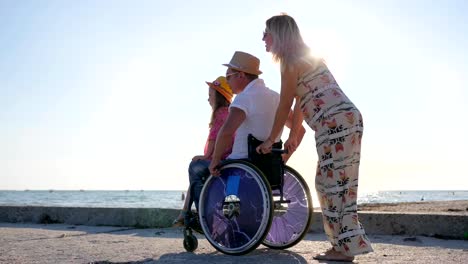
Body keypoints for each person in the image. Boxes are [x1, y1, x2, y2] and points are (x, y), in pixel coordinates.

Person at [257, 14, 373, 261]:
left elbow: (285, 102)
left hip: (334, 124)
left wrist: (270, 139)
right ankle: (345, 246)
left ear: (278, 34)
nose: (263, 38)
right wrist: (291, 135)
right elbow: (300, 100)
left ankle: (342, 249)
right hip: (348, 119)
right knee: (340, 184)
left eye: (266, 32)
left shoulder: (289, 61)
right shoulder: (306, 56)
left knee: (330, 184)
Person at [188, 51, 305, 213]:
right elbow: (300, 130)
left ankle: (206, 216)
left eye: (229, 76)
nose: (227, 82)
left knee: (196, 167)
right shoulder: (276, 98)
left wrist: (214, 160)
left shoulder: (245, 98)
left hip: (240, 168)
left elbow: (227, 132)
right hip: (269, 169)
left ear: (241, 75)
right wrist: (282, 159)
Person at [172, 76, 234, 227]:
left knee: (194, 166)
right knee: (195, 176)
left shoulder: (220, 113)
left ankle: (202, 213)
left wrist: (206, 156)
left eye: (210, 96)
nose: (208, 100)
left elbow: (215, 138)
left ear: (218, 97)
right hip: (232, 157)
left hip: (221, 159)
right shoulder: (231, 112)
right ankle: (185, 211)